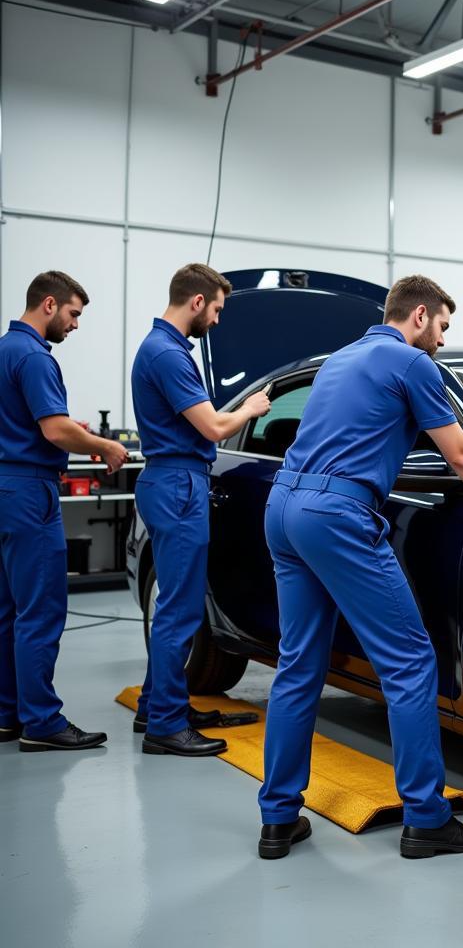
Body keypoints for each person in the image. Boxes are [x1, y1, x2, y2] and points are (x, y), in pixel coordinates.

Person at [258, 274, 463, 860]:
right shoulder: (409, 362)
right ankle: (426, 818)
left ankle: (277, 819)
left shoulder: (341, 360)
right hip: (337, 514)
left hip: (284, 507)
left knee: (298, 665)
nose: (443, 341)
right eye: (444, 326)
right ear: (420, 315)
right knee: (409, 660)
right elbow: (461, 452)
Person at [131, 263, 270, 757]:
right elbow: (213, 428)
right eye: (215, 309)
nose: (215, 319)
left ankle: (157, 705)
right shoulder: (168, 354)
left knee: (175, 604)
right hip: (177, 485)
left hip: (173, 481)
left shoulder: (161, 349)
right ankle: (166, 727)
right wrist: (251, 409)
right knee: (181, 610)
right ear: (195, 302)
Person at [0, 271, 128, 751]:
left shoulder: (4, 350)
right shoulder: (35, 356)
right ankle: (42, 723)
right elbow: (54, 432)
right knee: (41, 610)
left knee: (8, 611)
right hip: (30, 492)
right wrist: (102, 445)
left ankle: (7, 715)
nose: (75, 325)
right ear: (49, 305)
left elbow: (24, 420)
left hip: (4, 485)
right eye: (74, 314)